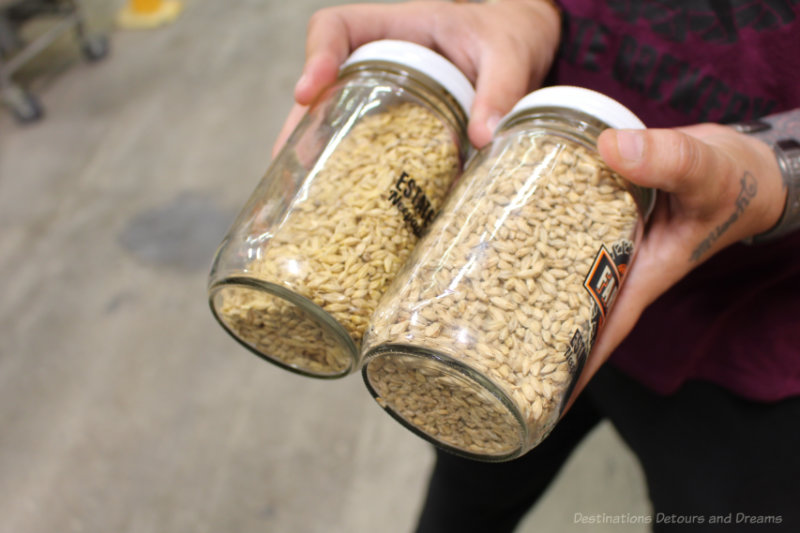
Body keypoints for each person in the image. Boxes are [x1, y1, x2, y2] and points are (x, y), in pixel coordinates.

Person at [274, 1, 800, 531]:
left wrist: (779, 171)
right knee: (466, 493)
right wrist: (526, 11)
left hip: (747, 325)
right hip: (506, 316)